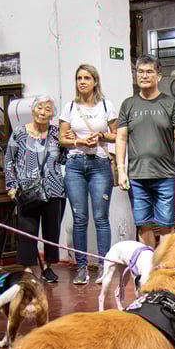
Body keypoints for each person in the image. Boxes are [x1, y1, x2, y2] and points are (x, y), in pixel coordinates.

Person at [115, 55, 175, 248]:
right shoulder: (128, 105)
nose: (144, 76)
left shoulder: (170, 104)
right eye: (140, 72)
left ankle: (165, 267)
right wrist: (121, 170)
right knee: (143, 226)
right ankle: (148, 269)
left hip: (165, 175)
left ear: (159, 76)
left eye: (149, 71)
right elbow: (121, 138)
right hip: (137, 176)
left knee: (166, 226)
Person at [58, 64, 117, 285]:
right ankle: (81, 267)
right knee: (79, 219)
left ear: (95, 81)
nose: (82, 82)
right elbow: (62, 139)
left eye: (86, 78)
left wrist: (101, 135)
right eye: (79, 78)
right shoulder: (70, 107)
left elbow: (117, 135)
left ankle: (104, 265)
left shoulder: (106, 105)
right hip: (75, 164)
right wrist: (78, 141)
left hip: (99, 163)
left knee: (101, 218)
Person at [5, 95, 66, 283]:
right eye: (40, 108)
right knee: (27, 231)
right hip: (26, 190)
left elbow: (65, 157)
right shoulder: (19, 133)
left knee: (51, 230)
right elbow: (9, 160)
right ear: (32, 110)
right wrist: (11, 185)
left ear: (52, 114)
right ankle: (28, 268)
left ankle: (48, 267)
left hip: (54, 189)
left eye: (47, 109)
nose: (42, 112)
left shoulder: (57, 133)